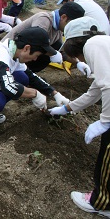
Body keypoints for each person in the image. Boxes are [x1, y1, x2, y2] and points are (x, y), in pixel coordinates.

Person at [48, 16, 110, 217]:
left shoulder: (92, 45)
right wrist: (67, 109)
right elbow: (95, 91)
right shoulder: (104, 43)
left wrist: (104, 123)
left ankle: (101, 203)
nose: (78, 60)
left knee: (107, 157)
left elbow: (108, 86)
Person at [1, 1, 85, 72]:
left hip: (22, 55)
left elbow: (61, 51)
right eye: (72, 24)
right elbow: (35, 42)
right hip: (9, 54)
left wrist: (78, 63)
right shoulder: (44, 19)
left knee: (53, 49)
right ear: (63, 17)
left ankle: (27, 75)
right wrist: (54, 54)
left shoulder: (59, 29)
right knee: (44, 55)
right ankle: (22, 75)